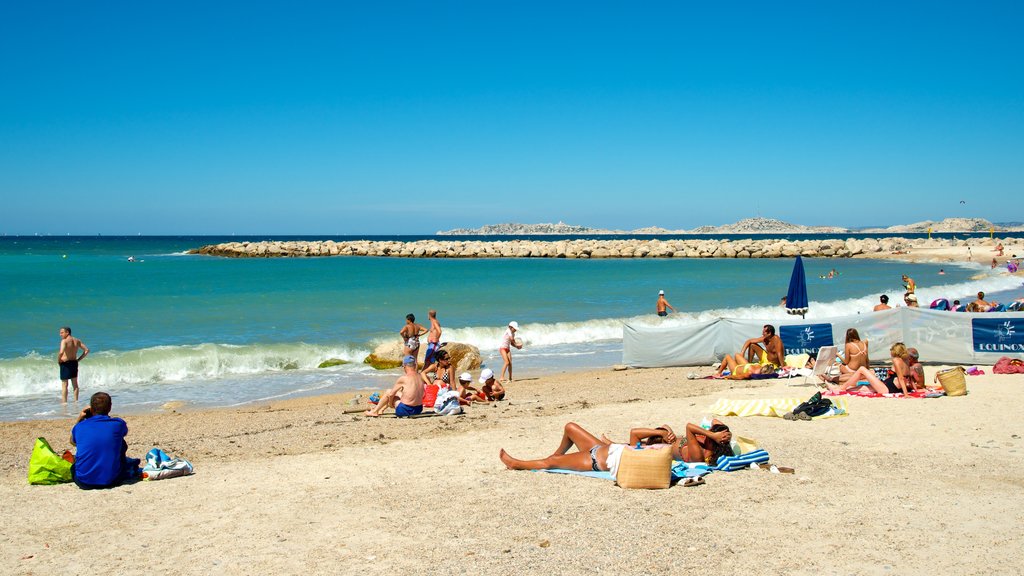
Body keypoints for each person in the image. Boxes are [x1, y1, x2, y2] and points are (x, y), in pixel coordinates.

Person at [498, 420, 733, 475]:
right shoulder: (698, 447)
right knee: (570, 427)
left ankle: (516, 464)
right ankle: (557, 456)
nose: (705, 434)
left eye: (709, 435)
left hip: (599, 459)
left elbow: (691, 427)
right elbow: (697, 427)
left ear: (711, 442)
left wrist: (712, 434)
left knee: (550, 464)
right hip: (603, 450)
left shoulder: (697, 453)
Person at [70, 392, 129, 490]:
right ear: (110, 407)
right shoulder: (118, 424)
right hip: (113, 479)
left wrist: (79, 419)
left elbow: (73, 442)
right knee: (121, 442)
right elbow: (123, 433)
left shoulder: (80, 426)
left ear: (91, 409)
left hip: (84, 481)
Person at [829, 342, 915, 395]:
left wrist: (906, 394)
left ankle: (842, 388)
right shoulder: (906, 360)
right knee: (863, 387)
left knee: (862, 369)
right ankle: (839, 390)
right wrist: (915, 389)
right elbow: (909, 377)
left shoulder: (897, 360)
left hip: (887, 389)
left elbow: (900, 378)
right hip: (888, 386)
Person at [58, 326, 89, 404]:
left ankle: (64, 403)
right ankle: (76, 401)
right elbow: (87, 350)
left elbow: (61, 352)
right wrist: (78, 359)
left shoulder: (64, 341)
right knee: (75, 384)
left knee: (65, 384)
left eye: (62, 332)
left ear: (67, 332)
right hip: (74, 362)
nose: (60, 334)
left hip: (65, 363)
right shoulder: (76, 340)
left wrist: (59, 360)